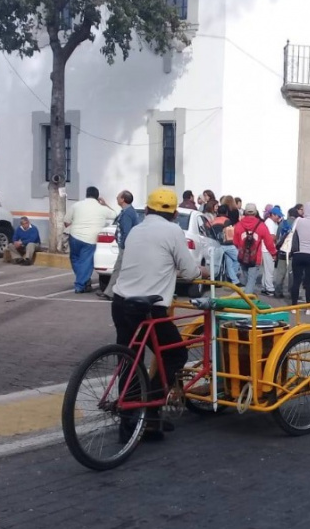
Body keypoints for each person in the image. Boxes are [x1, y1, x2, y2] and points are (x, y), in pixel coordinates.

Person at [111, 187, 209, 440]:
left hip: (121, 303)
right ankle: (151, 415)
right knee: (175, 354)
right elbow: (188, 272)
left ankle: (128, 424)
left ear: (149, 209)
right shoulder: (172, 230)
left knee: (129, 359)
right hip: (149, 308)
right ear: (174, 213)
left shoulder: (136, 230)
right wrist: (202, 274)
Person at [64, 186, 116, 293]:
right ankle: (80, 285)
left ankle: (84, 280)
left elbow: (66, 221)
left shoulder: (76, 205)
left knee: (75, 259)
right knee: (86, 263)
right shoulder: (102, 208)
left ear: (86, 194)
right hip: (90, 239)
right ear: (98, 197)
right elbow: (115, 215)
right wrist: (105, 204)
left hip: (74, 236)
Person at [101, 191, 141, 300]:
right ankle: (111, 292)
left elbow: (127, 232)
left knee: (120, 269)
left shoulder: (128, 213)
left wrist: (123, 245)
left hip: (125, 246)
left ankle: (113, 293)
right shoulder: (126, 211)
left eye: (118, 197)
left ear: (123, 199)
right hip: (124, 245)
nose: (116, 198)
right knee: (118, 269)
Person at [233, 203, 277, 295]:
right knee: (251, 279)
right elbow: (268, 241)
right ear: (255, 212)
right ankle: (248, 301)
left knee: (246, 278)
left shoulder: (239, 225)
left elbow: (235, 242)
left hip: (242, 256)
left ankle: (244, 296)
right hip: (255, 257)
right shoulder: (261, 225)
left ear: (245, 212)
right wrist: (273, 253)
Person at [289, 202, 310, 313]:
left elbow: (293, 232)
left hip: (298, 253)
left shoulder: (299, 221)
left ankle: (294, 306)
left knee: (296, 280)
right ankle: (308, 307)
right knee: (309, 282)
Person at [273, 206, 299, 299]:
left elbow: (277, 237)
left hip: (282, 251)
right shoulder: (297, 224)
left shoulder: (282, 223)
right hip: (292, 251)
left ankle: (278, 291)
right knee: (292, 272)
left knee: (280, 272)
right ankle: (292, 292)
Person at [211, 205, 239, 284]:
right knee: (238, 259)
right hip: (227, 245)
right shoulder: (227, 221)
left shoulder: (213, 220)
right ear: (226, 212)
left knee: (229, 261)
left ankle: (234, 280)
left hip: (216, 244)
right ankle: (232, 276)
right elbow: (229, 234)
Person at [260, 206, 282, 296]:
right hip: (268, 248)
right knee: (270, 270)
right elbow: (271, 236)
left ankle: (265, 286)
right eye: (277, 216)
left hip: (266, 248)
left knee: (266, 270)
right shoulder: (270, 223)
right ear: (272, 214)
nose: (279, 217)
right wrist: (280, 238)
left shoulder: (271, 222)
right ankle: (269, 288)